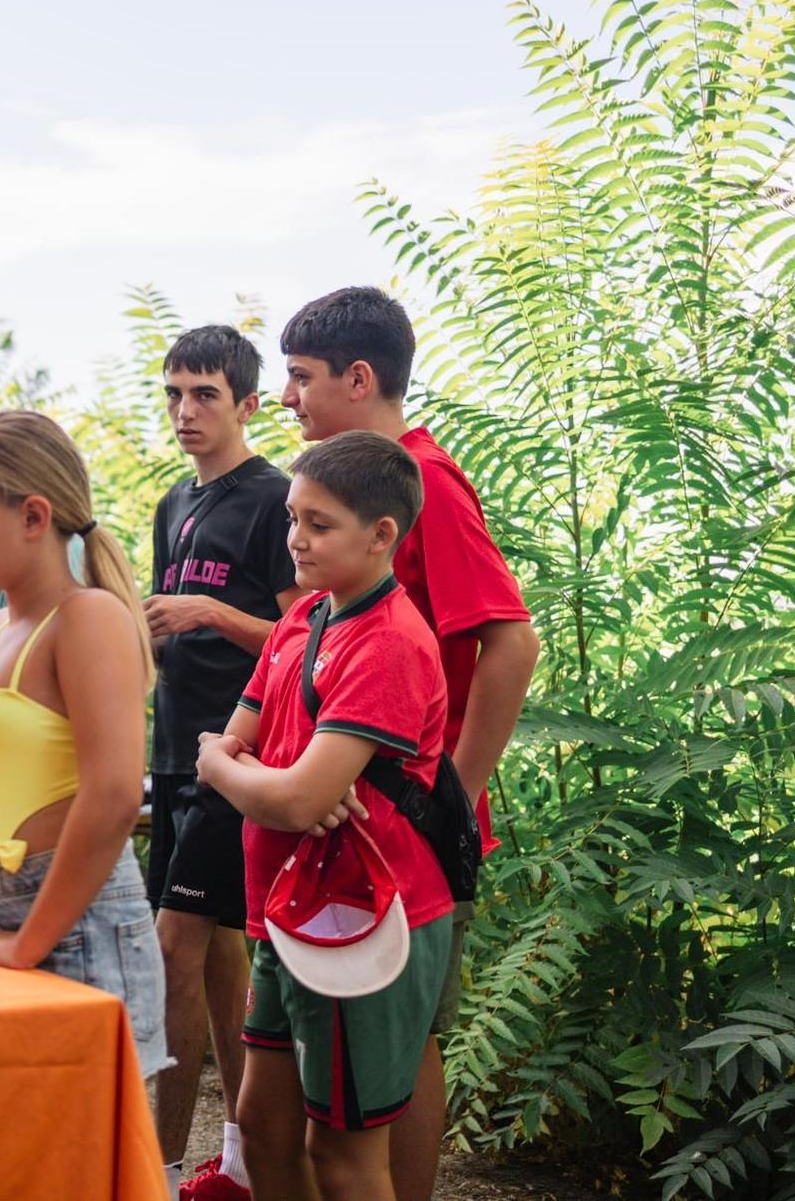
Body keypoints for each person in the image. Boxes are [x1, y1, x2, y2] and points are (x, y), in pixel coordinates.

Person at [278, 286, 540, 1200]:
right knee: (390, 1048)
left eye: (301, 378)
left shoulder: (426, 480)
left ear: (360, 378)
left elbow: (510, 638)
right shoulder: (352, 493)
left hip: (410, 826)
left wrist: (450, 798)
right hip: (355, 815)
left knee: (406, 1040)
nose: (287, 398)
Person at [196, 430, 455, 1201]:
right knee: (265, 1128)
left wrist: (243, 773)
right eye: (291, 518)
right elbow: (236, 743)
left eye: (318, 524)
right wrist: (236, 765)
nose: (295, 540)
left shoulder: (389, 644)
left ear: (382, 536)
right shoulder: (304, 619)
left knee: (342, 1153)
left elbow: (296, 797)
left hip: (360, 916)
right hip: (290, 908)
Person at [0, 410, 169, 1078]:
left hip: (64, 924)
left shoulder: (88, 619)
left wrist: (28, 943)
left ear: (32, 516)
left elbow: (113, 794)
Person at [144, 327, 303, 1196]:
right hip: (173, 747)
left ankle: (158, 1167)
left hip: (238, 751)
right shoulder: (176, 500)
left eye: (203, 394)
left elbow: (305, 632)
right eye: (173, 393)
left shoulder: (277, 499)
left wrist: (208, 610)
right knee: (213, 954)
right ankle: (246, 1157)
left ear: (246, 402)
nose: (184, 411)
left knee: (173, 941)